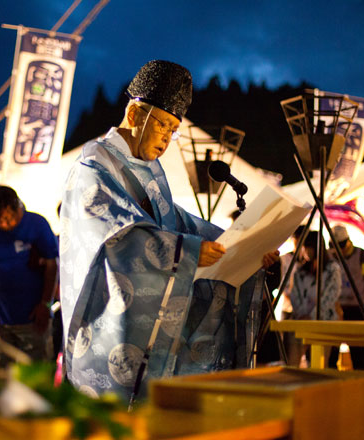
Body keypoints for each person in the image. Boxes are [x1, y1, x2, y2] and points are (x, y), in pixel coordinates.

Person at [59, 60, 274, 402]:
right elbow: (120, 236)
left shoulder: (147, 171)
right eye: (165, 126)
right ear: (135, 115)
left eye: (174, 130)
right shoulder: (93, 168)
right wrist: (186, 252)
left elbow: (176, 221)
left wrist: (240, 245)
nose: (168, 140)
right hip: (111, 326)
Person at [0, 186, 58, 374]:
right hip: (1, 321)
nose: (3, 225)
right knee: (2, 379)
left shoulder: (37, 224)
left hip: (34, 320)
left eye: (7, 219)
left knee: (37, 378)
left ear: (19, 208)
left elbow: (53, 264)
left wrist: (45, 304)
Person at [287, 231, 342, 367]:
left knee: (319, 364)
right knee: (292, 362)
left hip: (324, 322)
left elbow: (330, 297)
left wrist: (312, 316)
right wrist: (302, 315)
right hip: (301, 321)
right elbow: (295, 295)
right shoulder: (300, 271)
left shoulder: (332, 270)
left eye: (309, 246)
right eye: (304, 246)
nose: (305, 250)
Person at [328, 225, 364, 370]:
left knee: (359, 353)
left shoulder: (361, 255)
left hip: (356, 309)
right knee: (332, 350)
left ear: (348, 241)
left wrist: (363, 299)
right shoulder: (330, 256)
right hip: (336, 309)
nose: (339, 249)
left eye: (341, 245)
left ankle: (360, 381)